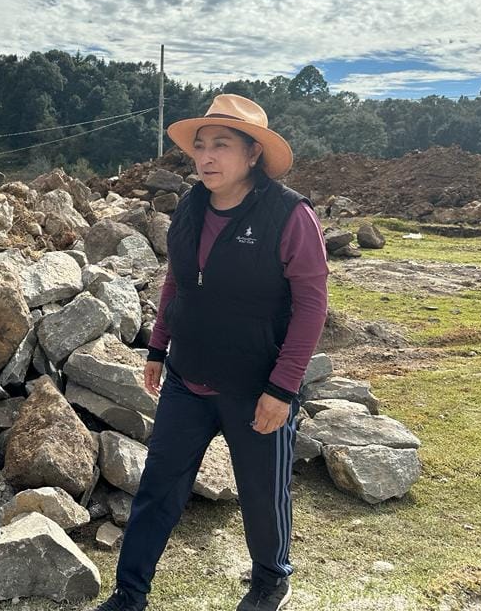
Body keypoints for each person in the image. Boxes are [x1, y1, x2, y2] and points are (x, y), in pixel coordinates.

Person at [93, 94, 329, 611]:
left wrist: (283, 388)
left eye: (221, 145)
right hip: (187, 378)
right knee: (158, 490)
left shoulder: (289, 216)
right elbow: (176, 278)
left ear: (252, 155)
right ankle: (129, 593)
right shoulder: (191, 205)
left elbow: (312, 306)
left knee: (263, 496)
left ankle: (271, 580)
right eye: (200, 146)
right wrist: (158, 347)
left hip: (255, 386)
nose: (206, 156)